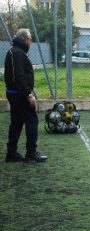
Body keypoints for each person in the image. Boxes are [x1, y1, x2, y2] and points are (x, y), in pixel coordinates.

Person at [4, 28, 48, 162]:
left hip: (16, 93)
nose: (31, 42)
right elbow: (19, 76)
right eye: (30, 39)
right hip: (19, 94)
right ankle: (31, 153)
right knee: (32, 120)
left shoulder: (16, 51)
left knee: (16, 123)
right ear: (25, 40)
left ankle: (11, 154)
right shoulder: (17, 53)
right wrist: (29, 94)